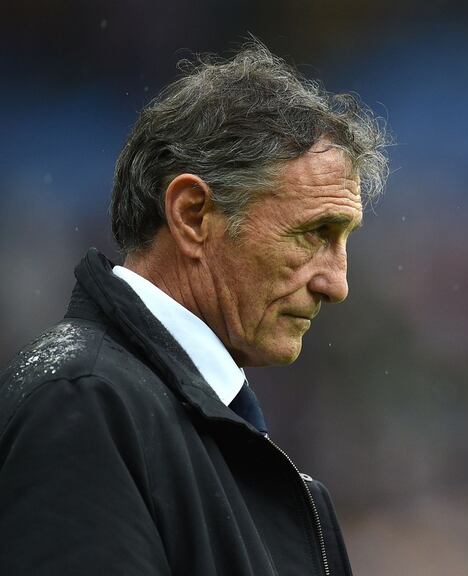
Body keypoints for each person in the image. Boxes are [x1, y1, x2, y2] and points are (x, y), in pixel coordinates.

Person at [0, 40, 389, 575]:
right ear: (192, 215)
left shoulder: (179, 431)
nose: (336, 284)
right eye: (315, 233)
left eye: (344, 239)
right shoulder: (84, 404)